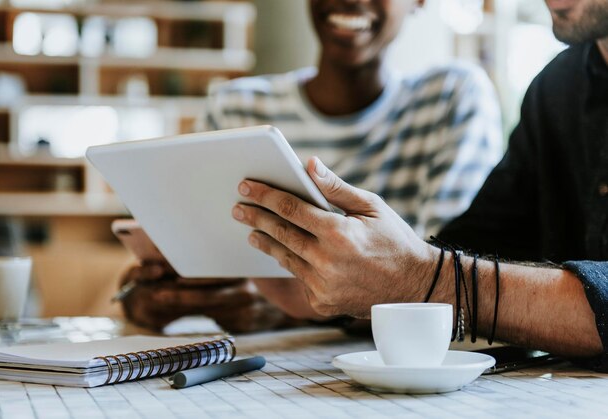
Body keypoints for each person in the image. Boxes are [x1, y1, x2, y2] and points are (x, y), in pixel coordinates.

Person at [230, 0, 608, 368]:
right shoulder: (557, 89)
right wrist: (342, 281)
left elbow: (438, 272)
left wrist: (419, 277)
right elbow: (475, 247)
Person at [119, 0, 503, 332]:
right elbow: (179, 253)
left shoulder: (451, 99)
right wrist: (145, 296)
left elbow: (446, 286)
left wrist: (293, 310)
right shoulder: (236, 107)